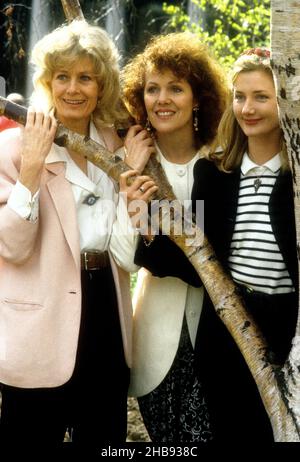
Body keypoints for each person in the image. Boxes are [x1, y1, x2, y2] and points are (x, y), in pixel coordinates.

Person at [0, 19, 142, 447]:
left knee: (104, 437)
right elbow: (12, 247)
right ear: (47, 81)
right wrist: (31, 169)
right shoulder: (13, 147)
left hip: (106, 313)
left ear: (102, 86)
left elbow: (128, 253)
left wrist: (129, 174)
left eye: (86, 78)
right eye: (63, 77)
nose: (73, 89)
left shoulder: (117, 145)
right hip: (39, 326)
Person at [120, 32, 228, 442]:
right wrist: (128, 176)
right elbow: (125, 259)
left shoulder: (221, 162)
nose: (162, 99)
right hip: (155, 341)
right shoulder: (130, 158)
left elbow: (213, 258)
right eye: (152, 89)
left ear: (197, 97)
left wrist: (151, 233)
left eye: (176, 88)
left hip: (219, 341)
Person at [190, 48, 298, 442]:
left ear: (285, 101)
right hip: (228, 323)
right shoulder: (213, 172)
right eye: (239, 96)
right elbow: (190, 250)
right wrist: (145, 215)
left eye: (261, 97)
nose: (247, 108)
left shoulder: (296, 178)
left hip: (287, 325)